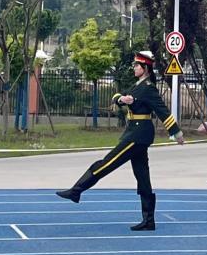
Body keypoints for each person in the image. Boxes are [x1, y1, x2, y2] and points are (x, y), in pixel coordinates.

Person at [56, 50, 183, 231]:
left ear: (145, 68)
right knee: (142, 176)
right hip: (136, 133)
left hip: (138, 134)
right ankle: (149, 220)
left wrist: (176, 132)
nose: (134, 68)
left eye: (137, 65)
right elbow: (118, 96)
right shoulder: (137, 85)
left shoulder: (148, 88)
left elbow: (162, 110)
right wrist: (122, 99)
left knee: (107, 163)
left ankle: (76, 191)